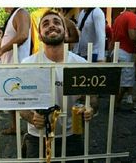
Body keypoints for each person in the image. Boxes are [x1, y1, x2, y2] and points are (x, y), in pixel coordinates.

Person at [20, 10, 97, 161]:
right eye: (46, 24)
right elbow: (19, 103)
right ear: (40, 35)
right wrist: (31, 117)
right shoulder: (27, 64)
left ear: (66, 32)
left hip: (72, 135)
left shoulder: (81, 65)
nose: (52, 26)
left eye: (57, 22)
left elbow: (92, 98)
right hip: (38, 136)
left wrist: (91, 109)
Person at [0, 7, 31, 134]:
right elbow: (12, 37)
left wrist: (1, 50)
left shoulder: (21, 12)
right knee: (11, 99)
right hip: (10, 65)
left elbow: (23, 35)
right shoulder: (14, 14)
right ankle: (15, 127)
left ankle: (34, 129)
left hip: (17, 65)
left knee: (22, 100)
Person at [112, 8, 136, 108]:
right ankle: (115, 104)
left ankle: (114, 104)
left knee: (117, 80)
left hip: (117, 50)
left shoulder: (119, 17)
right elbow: (132, 36)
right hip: (126, 52)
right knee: (125, 82)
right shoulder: (132, 16)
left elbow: (113, 36)